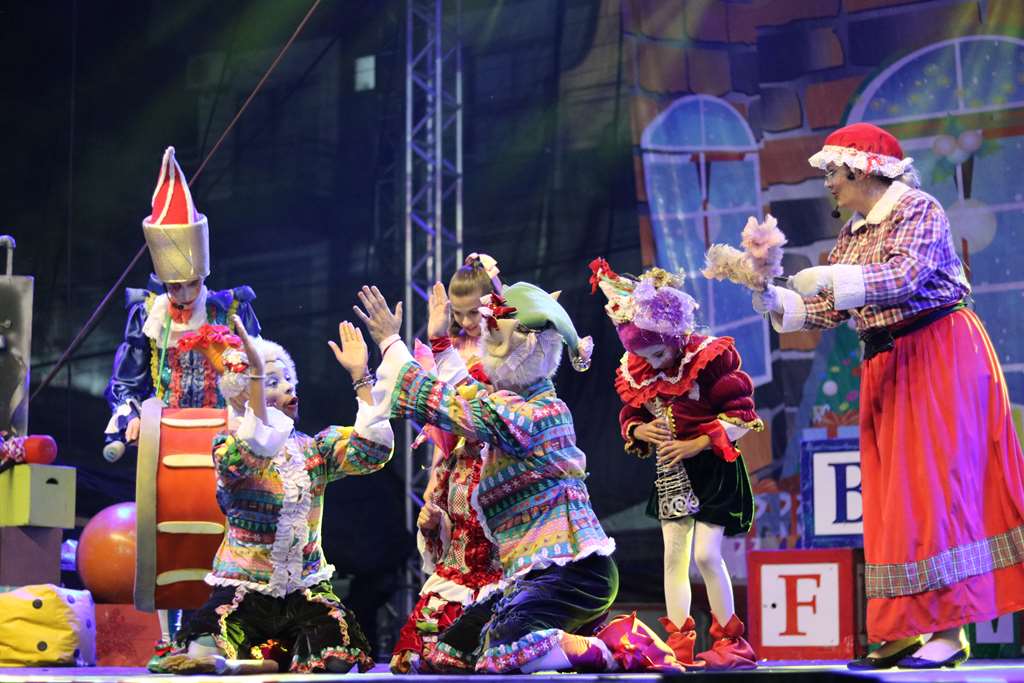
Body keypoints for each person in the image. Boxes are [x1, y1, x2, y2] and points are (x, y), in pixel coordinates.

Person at [753, 122, 1024, 670]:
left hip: (938, 350)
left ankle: (949, 632)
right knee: (891, 500)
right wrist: (773, 296)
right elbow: (831, 309)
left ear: (861, 167)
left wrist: (827, 276)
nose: (828, 181)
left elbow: (906, 276)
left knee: (936, 491)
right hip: (887, 360)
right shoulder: (855, 233)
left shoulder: (918, 210)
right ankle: (905, 626)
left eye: (832, 171)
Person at [355, 283, 683, 674]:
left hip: (574, 572)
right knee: (449, 654)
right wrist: (440, 343)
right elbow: (468, 395)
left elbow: (450, 405)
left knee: (504, 652)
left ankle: (621, 646)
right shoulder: (514, 406)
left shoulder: (538, 415)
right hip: (530, 574)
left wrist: (391, 342)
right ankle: (573, 644)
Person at [150, 317, 393, 674]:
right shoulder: (230, 450)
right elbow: (252, 452)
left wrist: (361, 376)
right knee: (203, 648)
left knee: (335, 658)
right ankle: (242, 662)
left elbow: (372, 451)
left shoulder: (314, 451)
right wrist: (256, 381)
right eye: (273, 383)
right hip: (245, 592)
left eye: (289, 380)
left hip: (302, 592)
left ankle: (263, 662)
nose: (289, 390)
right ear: (243, 394)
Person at [590, 259, 760, 670]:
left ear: (675, 334)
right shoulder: (641, 369)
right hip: (671, 474)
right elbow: (632, 412)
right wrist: (637, 431)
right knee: (673, 557)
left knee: (705, 555)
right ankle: (678, 645)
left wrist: (698, 442)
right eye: (644, 355)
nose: (654, 363)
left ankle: (732, 642)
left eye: (659, 352)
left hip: (713, 468)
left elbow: (742, 417)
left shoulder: (708, 357)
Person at [390, 254, 504, 673]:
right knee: (458, 543)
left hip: (500, 456)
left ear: (494, 301)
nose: (469, 321)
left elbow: (478, 404)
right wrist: (437, 476)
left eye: (475, 311)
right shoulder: (454, 347)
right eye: (460, 314)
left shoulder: (507, 343)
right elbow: (446, 415)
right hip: (462, 458)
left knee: (492, 548)